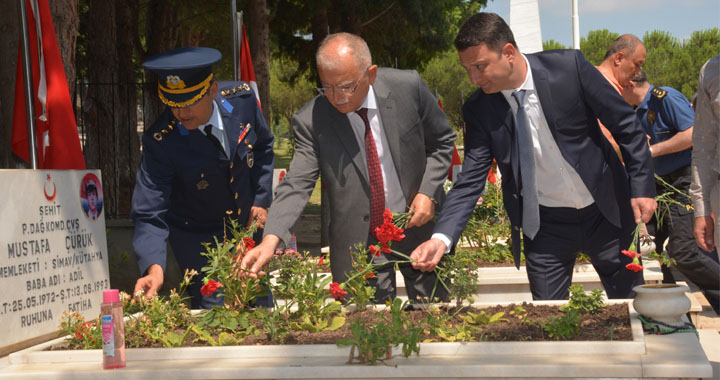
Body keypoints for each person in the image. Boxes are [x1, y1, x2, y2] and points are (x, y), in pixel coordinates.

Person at [411, 12, 657, 300]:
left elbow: (626, 126)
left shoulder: (569, 68)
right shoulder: (479, 109)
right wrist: (441, 238)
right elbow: (470, 179)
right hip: (545, 227)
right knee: (547, 322)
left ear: (508, 53)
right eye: (467, 69)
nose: (474, 78)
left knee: (635, 307)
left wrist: (641, 187)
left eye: (480, 66)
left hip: (607, 214)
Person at [241, 33, 456, 302]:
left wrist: (428, 192)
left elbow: (442, 142)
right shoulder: (312, 120)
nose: (337, 97)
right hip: (357, 244)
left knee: (433, 322)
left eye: (346, 86)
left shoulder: (408, 87)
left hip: (420, 228)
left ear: (371, 74)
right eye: (326, 87)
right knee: (365, 333)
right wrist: (271, 239)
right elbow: (297, 183)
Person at [131, 47, 274, 309]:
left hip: (247, 230)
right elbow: (149, 212)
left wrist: (262, 199)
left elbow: (263, 147)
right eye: (173, 104)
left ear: (211, 90)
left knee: (260, 306)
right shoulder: (161, 141)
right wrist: (154, 269)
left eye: (189, 102)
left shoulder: (241, 101)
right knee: (216, 314)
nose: (180, 113)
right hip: (199, 240)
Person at [622, 69, 719, 314]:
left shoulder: (665, 98)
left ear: (630, 82)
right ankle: (664, 308)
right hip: (657, 187)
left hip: (682, 183)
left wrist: (652, 151)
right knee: (636, 243)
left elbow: (693, 133)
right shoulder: (637, 111)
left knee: (683, 252)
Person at [595, 34, 647, 156]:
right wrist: (637, 148)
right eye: (637, 64)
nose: (638, 72)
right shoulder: (603, 87)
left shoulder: (600, 84)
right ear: (618, 58)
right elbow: (604, 137)